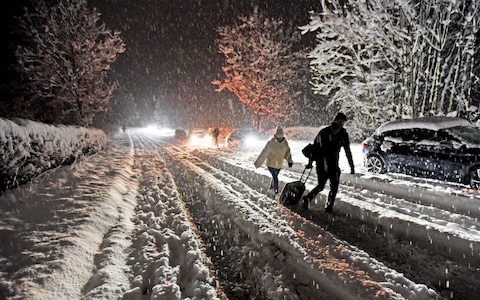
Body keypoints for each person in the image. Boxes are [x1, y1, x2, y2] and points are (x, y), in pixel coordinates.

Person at [302, 112, 355, 213]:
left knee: (334, 187)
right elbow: (314, 148)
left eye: (343, 122)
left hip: (334, 164)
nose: (341, 124)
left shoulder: (343, 134)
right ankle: (308, 198)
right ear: (335, 120)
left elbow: (347, 150)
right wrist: (310, 162)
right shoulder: (324, 132)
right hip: (322, 163)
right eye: (339, 121)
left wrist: (351, 165)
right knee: (321, 185)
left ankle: (329, 207)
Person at [254, 126, 293, 194]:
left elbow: (287, 153)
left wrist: (289, 161)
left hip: (277, 165)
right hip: (272, 164)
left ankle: (272, 187)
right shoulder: (272, 143)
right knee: (275, 177)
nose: (280, 138)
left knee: (275, 176)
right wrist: (258, 163)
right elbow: (264, 153)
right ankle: (276, 191)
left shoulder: (283, 143)